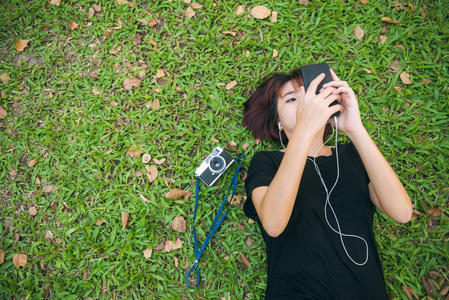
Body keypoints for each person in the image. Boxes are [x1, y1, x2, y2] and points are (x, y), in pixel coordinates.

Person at [241, 66, 413, 299]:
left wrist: (356, 130)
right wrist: (304, 127)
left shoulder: (353, 154)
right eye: (292, 99)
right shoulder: (268, 162)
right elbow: (273, 223)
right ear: (278, 121)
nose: (307, 103)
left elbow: (402, 212)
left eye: (313, 95)